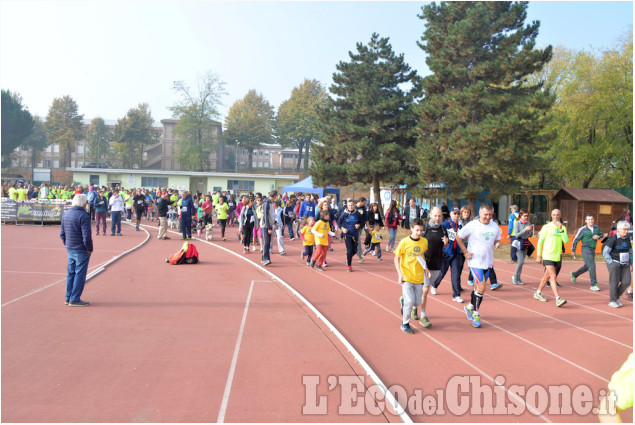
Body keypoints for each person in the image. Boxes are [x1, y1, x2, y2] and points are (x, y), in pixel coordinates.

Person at [456, 203, 501, 328]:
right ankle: (476, 314)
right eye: (485, 215)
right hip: (475, 261)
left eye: (490, 215)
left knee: (478, 289)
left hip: (488, 261)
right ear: (480, 213)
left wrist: (497, 243)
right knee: (481, 288)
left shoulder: (494, 226)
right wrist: (465, 252)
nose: (487, 217)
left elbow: (497, 238)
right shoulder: (472, 225)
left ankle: (469, 307)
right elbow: (458, 237)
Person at [395, 218, 431, 334]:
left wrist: (426, 268)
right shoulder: (404, 242)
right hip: (407, 276)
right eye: (417, 230)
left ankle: (403, 301)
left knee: (417, 303)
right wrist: (399, 274)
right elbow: (397, 258)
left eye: (421, 230)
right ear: (411, 229)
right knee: (410, 302)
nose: (419, 233)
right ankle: (405, 324)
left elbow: (421, 256)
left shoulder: (424, 242)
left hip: (419, 276)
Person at [60, 194, 93, 306]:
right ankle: (74, 298)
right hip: (81, 248)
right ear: (84, 204)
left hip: (71, 247)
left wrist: (67, 244)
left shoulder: (66, 214)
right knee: (80, 274)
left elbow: (62, 233)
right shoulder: (83, 216)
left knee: (71, 273)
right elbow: (87, 236)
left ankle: (68, 297)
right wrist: (89, 248)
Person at [534, 209, 568, 307]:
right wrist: (539, 255)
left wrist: (561, 229)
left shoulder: (563, 228)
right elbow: (540, 242)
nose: (556, 217)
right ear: (551, 215)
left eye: (557, 215)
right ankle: (558, 298)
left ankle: (538, 292)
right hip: (548, 255)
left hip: (557, 256)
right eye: (554, 215)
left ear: (560, 215)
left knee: (546, 276)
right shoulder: (546, 227)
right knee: (553, 277)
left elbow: (565, 241)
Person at [433, 207, 464, 302]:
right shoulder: (445, 224)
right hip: (446, 253)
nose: (456, 215)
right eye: (455, 213)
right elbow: (438, 235)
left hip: (456, 253)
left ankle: (456, 295)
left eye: (458, 213)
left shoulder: (460, 225)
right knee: (442, 272)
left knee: (456, 274)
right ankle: (434, 284)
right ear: (450, 214)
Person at [603, 221, 632, 308]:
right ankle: (612, 300)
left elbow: (630, 252)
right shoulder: (613, 239)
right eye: (624, 229)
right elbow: (605, 252)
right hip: (615, 263)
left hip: (625, 263)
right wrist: (611, 263)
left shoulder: (627, 239)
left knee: (626, 281)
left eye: (627, 229)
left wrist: (632, 263)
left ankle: (616, 297)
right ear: (619, 229)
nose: (626, 231)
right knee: (614, 282)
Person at [570, 214, 604, 291]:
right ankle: (593, 284)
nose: (590, 221)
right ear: (585, 221)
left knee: (588, 266)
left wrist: (598, 237)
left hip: (592, 250)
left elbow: (601, 235)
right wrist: (573, 250)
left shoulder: (596, 228)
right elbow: (576, 240)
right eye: (588, 219)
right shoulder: (583, 229)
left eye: (591, 219)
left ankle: (574, 274)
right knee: (592, 265)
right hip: (585, 249)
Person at [423, 207, 449, 297]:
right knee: (425, 288)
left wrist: (446, 243)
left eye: (439, 216)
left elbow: (445, 245)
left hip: (437, 262)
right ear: (430, 215)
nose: (437, 218)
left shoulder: (443, 229)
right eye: (435, 216)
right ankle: (418, 309)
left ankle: (408, 299)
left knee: (426, 286)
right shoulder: (424, 228)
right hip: (424, 262)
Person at [337, 198, 363, 272]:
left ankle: (348, 256)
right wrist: (343, 229)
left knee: (354, 251)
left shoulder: (357, 214)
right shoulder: (344, 213)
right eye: (349, 205)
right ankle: (349, 266)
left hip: (355, 235)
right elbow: (339, 222)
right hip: (347, 235)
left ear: (354, 205)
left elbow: (362, 223)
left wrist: (359, 225)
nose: (350, 207)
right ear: (347, 206)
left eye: (351, 205)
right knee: (350, 250)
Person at [512, 209, 534, 285]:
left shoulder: (528, 223)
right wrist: (524, 230)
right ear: (520, 216)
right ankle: (515, 276)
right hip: (518, 243)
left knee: (522, 262)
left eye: (527, 216)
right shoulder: (517, 223)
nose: (526, 217)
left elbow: (530, 235)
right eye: (524, 216)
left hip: (525, 243)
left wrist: (530, 230)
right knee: (520, 261)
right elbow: (516, 235)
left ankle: (518, 277)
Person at [261, 190, 277, 266]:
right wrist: (268, 228)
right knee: (266, 242)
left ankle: (265, 258)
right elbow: (265, 216)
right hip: (265, 225)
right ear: (274, 196)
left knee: (268, 242)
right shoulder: (266, 203)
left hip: (270, 224)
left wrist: (275, 222)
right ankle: (265, 259)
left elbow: (272, 215)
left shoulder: (271, 203)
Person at [355, 197, 369, 262]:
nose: (365, 204)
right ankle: (359, 255)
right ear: (360, 201)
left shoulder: (363, 208)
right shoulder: (354, 207)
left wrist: (368, 227)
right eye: (364, 203)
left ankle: (353, 252)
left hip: (360, 227)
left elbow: (366, 219)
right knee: (358, 240)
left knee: (356, 241)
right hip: (354, 227)